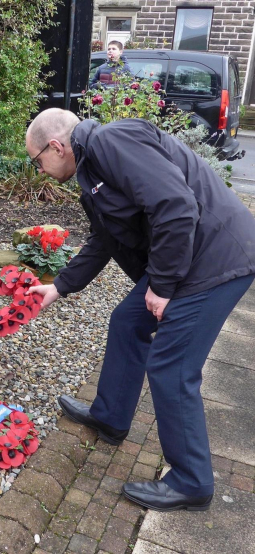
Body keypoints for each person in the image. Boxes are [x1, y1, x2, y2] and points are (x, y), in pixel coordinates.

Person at [25, 108, 255, 512]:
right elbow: (104, 239)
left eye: (37, 160)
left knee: (172, 365)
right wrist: (59, 288)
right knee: (127, 321)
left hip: (216, 258)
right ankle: (111, 416)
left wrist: (162, 286)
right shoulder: (93, 168)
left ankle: (192, 480)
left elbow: (177, 206)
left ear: (56, 146)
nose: (39, 170)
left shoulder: (112, 142)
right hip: (187, 253)